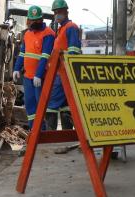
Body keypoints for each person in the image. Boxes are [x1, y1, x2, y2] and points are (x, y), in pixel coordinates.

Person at [13, 5, 55, 130]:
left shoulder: (49, 34)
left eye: (36, 20)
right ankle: (34, 132)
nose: (33, 23)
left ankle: (43, 134)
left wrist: (39, 74)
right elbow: (22, 53)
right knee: (30, 107)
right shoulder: (27, 34)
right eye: (31, 20)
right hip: (28, 77)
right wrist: (16, 68)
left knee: (41, 107)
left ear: (41, 20)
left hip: (41, 77)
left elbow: (45, 56)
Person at [45, 0, 81, 131]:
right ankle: (66, 135)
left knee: (51, 105)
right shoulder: (61, 29)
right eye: (55, 12)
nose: (56, 14)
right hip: (60, 73)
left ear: (66, 11)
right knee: (66, 105)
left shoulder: (71, 27)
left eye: (59, 12)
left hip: (63, 73)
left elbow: (73, 51)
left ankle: (51, 136)